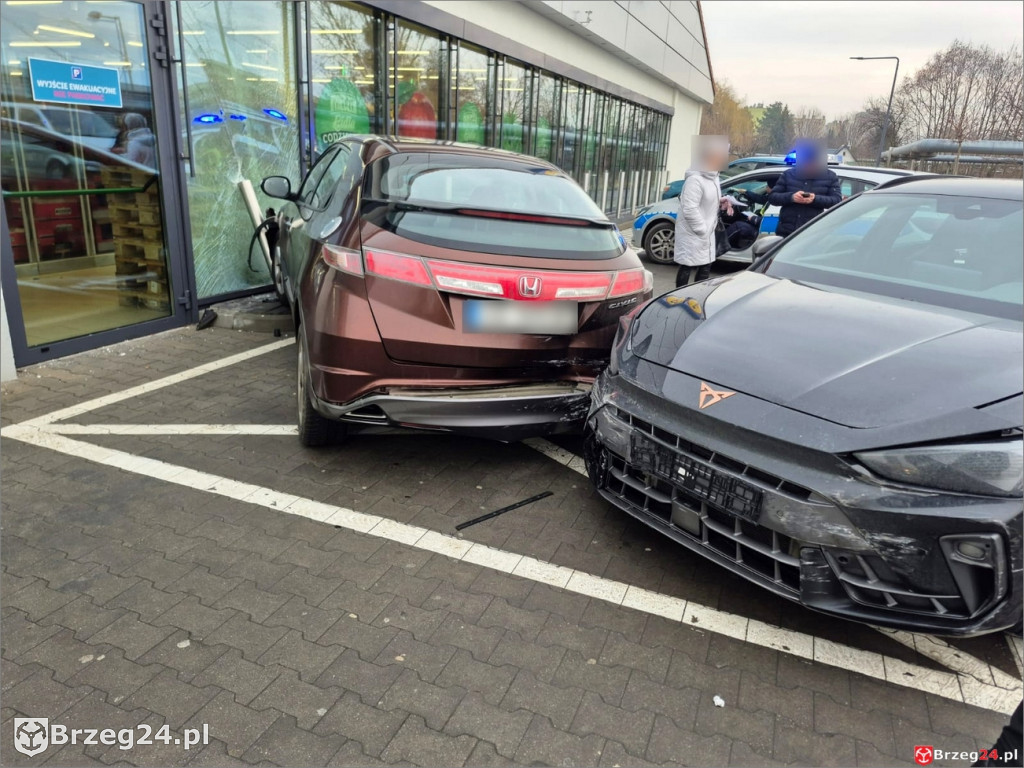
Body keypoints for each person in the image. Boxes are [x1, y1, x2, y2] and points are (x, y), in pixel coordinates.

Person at [674, 136, 731, 287]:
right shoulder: (695, 179)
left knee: (705, 266)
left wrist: (720, 200)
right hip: (694, 233)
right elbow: (690, 208)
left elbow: (704, 199)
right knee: (687, 266)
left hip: (706, 233)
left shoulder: (713, 177)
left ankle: (696, 297)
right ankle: (679, 298)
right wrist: (702, 230)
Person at [768, 141, 842, 237]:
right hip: (786, 232)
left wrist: (814, 199)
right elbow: (773, 197)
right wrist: (791, 197)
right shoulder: (788, 175)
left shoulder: (830, 177)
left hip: (811, 233)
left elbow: (837, 201)